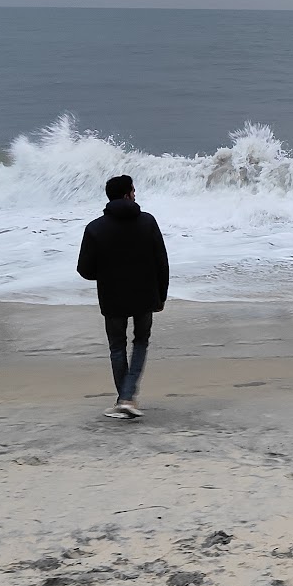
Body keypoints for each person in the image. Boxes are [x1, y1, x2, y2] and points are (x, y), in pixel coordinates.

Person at [77, 175, 170, 420]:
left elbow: (84, 270)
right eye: (133, 190)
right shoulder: (148, 222)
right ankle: (127, 398)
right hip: (145, 294)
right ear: (127, 194)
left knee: (117, 346)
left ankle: (124, 399)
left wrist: (107, 274)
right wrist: (161, 295)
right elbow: (162, 261)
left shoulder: (95, 228)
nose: (135, 194)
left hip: (112, 296)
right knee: (141, 341)